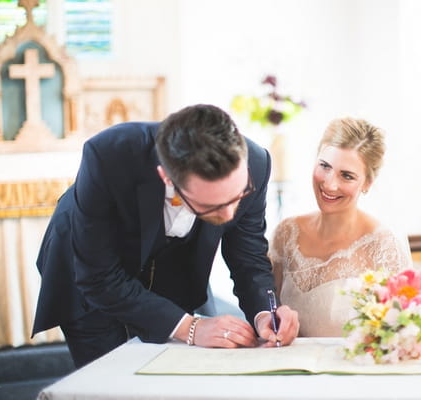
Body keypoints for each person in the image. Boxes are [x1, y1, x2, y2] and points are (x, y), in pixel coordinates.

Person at [32, 104, 299, 368]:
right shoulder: (108, 155)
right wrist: (191, 327)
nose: (230, 214)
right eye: (213, 205)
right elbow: (98, 277)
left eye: (238, 196)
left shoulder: (257, 163)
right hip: (88, 274)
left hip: (170, 270)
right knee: (111, 377)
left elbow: (249, 259)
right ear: (168, 178)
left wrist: (265, 313)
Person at [269, 117, 412, 337]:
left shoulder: (385, 244)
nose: (329, 184)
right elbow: (267, 310)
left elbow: (401, 334)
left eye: (347, 176)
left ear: (367, 183)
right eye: (324, 166)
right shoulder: (286, 233)